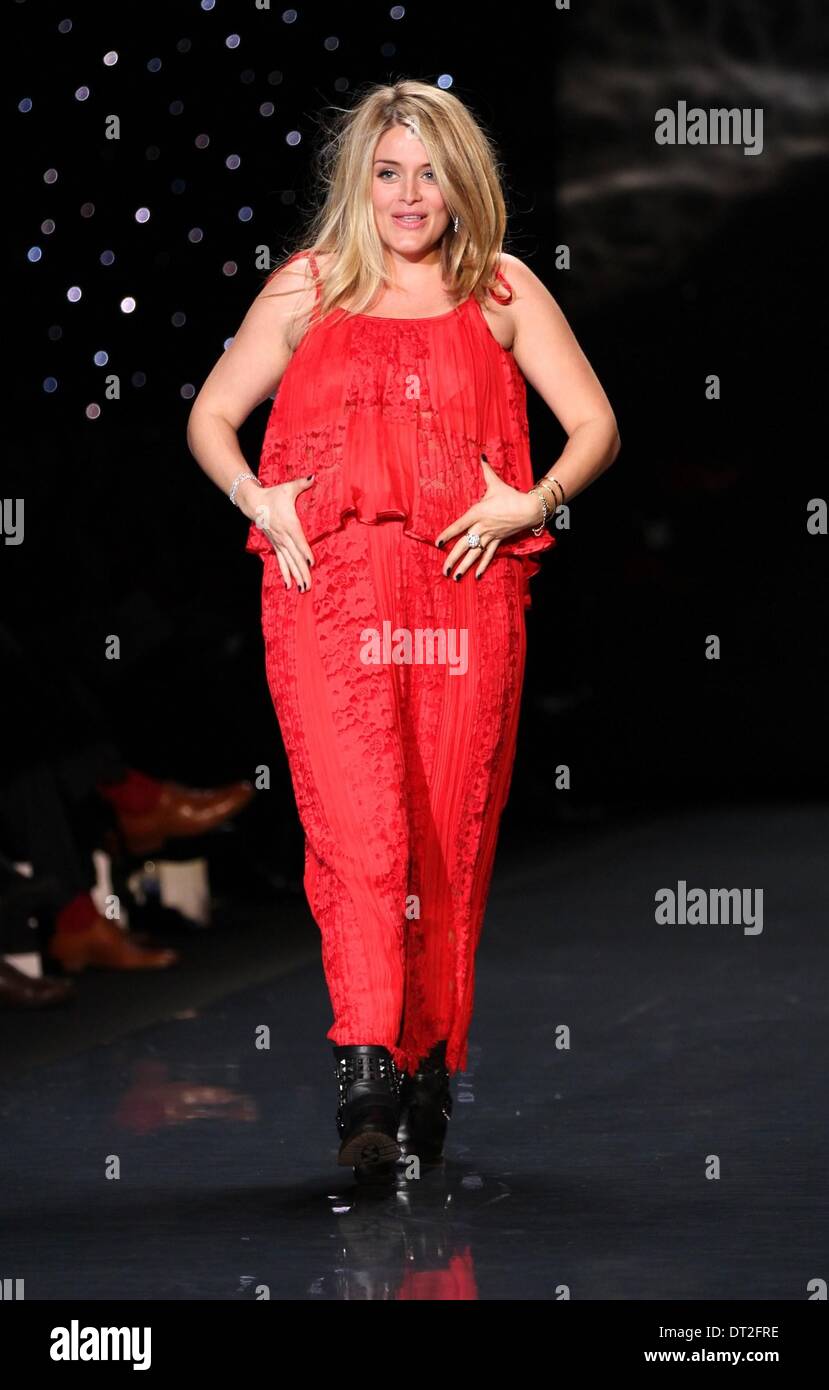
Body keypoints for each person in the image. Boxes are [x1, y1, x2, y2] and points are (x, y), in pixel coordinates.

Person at [187, 79, 620, 1175]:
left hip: (465, 596)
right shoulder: (309, 286)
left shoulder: (501, 288)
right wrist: (258, 497)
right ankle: (366, 1076)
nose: (409, 193)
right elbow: (210, 416)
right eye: (388, 171)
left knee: (446, 837)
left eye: (429, 170)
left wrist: (532, 502)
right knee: (357, 834)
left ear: (461, 179)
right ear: (359, 182)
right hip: (326, 596)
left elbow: (594, 423)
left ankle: (429, 1065)